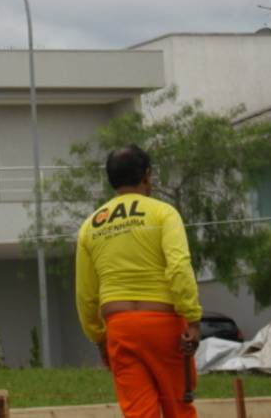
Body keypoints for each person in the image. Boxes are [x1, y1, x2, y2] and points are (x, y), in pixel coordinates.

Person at [75, 145, 202, 418]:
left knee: (138, 413)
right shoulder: (163, 214)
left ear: (111, 180)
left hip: (120, 328)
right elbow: (179, 268)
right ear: (147, 176)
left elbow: (86, 294)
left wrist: (99, 338)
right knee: (179, 408)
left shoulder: (90, 226)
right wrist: (192, 319)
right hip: (164, 326)